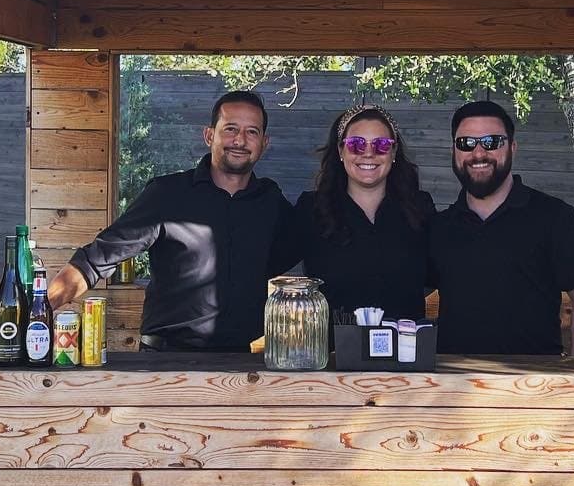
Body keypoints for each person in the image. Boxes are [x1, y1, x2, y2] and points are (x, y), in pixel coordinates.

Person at [46, 90, 295, 351]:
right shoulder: (167, 194)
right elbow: (95, 260)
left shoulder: (270, 201)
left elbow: (301, 246)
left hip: (241, 363)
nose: (240, 140)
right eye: (230, 128)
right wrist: (36, 313)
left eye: (252, 132)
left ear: (264, 143)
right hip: (166, 360)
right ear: (209, 135)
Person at [429, 100, 574, 357]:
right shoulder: (438, 226)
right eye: (466, 143)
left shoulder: (553, 216)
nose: (478, 153)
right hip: (452, 385)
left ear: (513, 147)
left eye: (492, 142)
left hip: (535, 385)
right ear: (454, 151)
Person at [292, 105, 435, 321]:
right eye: (356, 144)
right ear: (341, 151)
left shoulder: (420, 208)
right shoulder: (310, 209)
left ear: (394, 152)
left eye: (381, 145)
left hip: (405, 350)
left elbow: (447, 271)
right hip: (332, 352)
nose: (368, 153)